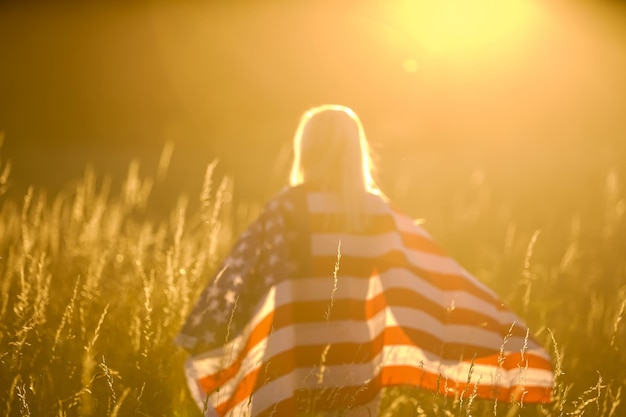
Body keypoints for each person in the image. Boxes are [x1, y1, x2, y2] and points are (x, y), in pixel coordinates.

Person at [175, 105, 554, 416]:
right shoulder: (375, 213)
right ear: (354, 150)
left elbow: (238, 288)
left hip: (291, 366)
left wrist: (205, 346)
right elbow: (433, 282)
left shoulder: (287, 209)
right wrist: (506, 340)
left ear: (306, 149)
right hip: (355, 371)